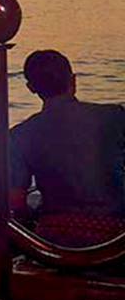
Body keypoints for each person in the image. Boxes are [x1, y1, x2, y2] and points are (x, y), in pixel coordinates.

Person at [10, 49, 125, 218]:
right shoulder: (114, 115)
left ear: (31, 88)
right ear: (73, 80)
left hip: (56, 238)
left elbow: (15, 201)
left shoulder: (19, 135)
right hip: (117, 233)